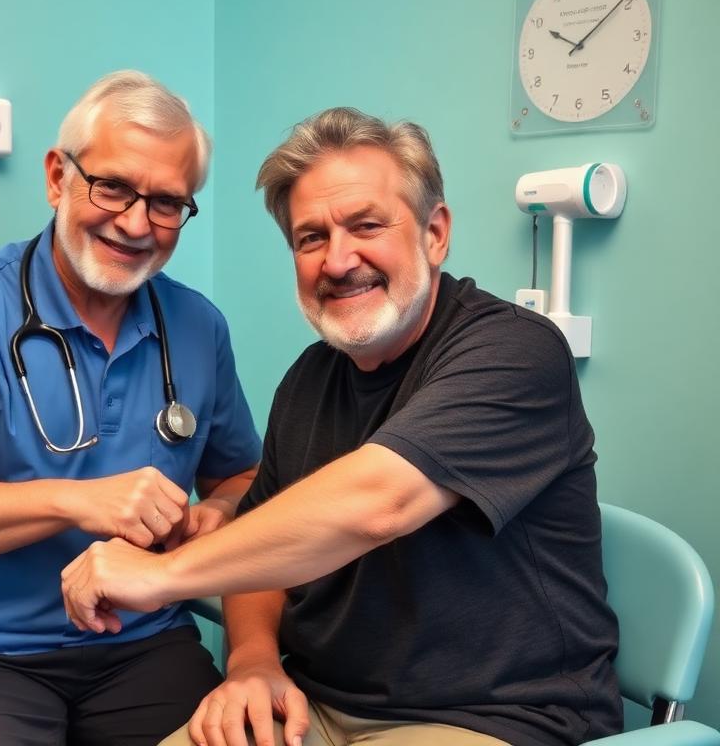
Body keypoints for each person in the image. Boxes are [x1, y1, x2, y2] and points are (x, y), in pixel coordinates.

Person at [61, 107, 622, 746]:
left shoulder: (515, 352)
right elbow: (261, 541)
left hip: (490, 717)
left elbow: (377, 502)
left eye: (366, 225)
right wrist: (252, 663)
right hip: (314, 706)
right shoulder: (311, 377)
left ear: (435, 234)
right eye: (310, 238)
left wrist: (159, 577)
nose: (337, 260)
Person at [0, 70, 261, 746]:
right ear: (58, 177)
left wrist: (216, 514)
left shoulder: (197, 327)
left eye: (166, 202)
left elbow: (242, 476)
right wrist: (80, 502)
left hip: (144, 641)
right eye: (112, 186)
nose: (136, 223)